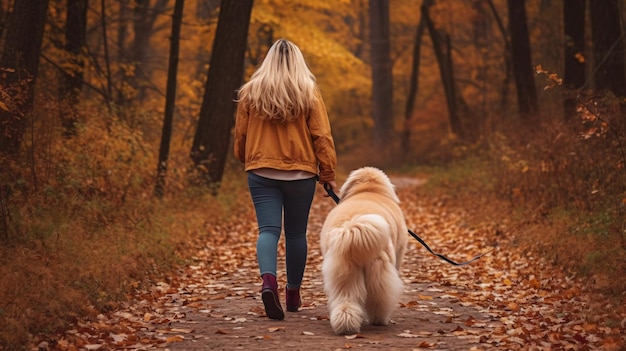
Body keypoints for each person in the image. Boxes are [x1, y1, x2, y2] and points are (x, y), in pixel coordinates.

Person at [234, 39, 337, 320]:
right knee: (295, 233)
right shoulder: (308, 92)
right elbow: (322, 136)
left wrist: (247, 158)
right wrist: (327, 173)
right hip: (300, 173)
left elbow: (240, 135)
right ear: (297, 62)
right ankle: (293, 293)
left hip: (261, 171)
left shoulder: (250, 93)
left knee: (268, 231)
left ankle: (269, 283)